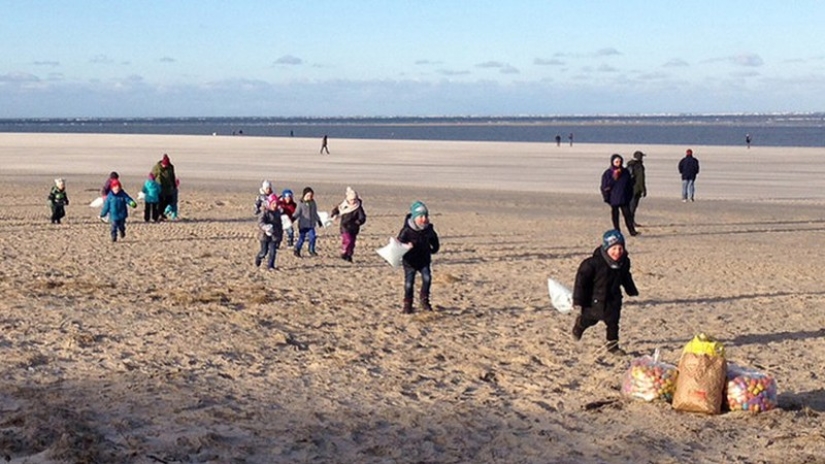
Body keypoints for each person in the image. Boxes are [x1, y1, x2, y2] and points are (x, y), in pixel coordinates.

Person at [571, 230, 639, 355]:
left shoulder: (624, 262)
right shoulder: (592, 263)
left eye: (620, 248)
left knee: (613, 323)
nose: (617, 252)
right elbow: (581, 282)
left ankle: (612, 346)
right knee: (590, 320)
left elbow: (625, 276)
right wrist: (578, 300)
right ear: (606, 248)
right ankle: (579, 327)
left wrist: (631, 289)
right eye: (613, 248)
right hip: (594, 299)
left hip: (613, 299)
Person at [397, 201, 440, 314]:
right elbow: (398, 244)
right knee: (409, 283)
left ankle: (424, 301)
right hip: (410, 261)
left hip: (424, 260)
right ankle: (408, 304)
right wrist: (406, 246)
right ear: (414, 217)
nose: (423, 218)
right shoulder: (407, 230)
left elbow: (434, 241)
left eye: (425, 216)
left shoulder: (429, 229)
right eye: (420, 216)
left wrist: (433, 249)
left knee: (427, 278)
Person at [601, 154, 638, 236]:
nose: (618, 163)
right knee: (615, 216)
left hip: (624, 198)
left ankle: (632, 231)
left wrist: (629, 196)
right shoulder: (608, 173)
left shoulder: (625, 172)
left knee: (627, 215)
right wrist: (606, 198)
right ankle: (617, 230)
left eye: (620, 161)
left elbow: (629, 185)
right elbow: (604, 186)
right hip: (613, 199)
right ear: (612, 162)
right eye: (616, 162)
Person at [330, 186, 367, 262]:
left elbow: (362, 217)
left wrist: (358, 222)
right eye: (351, 200)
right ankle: (344, 252)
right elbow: (337, 209)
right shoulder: (343, 205)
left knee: (352, 243)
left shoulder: (358, 207)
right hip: (345, 227)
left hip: (354, 228)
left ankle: (349, 255)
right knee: (347, 240)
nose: (352, 201)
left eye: (354, 199)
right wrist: (333, 214)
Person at [292, 187, 323, 257]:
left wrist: (318, 220)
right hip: (303, 225)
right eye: (308, 195)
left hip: (311, 224)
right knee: (301, 238)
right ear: (304, 195)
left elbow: (315, 213)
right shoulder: (300, 203)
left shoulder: (313, 203)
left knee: (313, 237)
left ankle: (311, 250)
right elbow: (297, 213)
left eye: (311, 195)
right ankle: (297, 249)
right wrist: (292, 218)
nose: (310, 197)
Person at [255, 194, 283, 270]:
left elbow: (280, 226)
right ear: (269, 203)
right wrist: (265, 227)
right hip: (264, 236)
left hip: (274, 235)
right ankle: (259, 257)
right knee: (264, 251)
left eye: (276, 203)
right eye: (273, 203)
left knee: (273, 251)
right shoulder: (265, 212)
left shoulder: (277, 213)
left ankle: (270, 266)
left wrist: (280, 237)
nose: (275, 205)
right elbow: (260, 222)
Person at [151, 153, 177, 219]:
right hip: (159, 187)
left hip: (168, 188)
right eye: (164, 165)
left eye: (166, 165)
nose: (165, 166)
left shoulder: (171, 167)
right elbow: (152, 176)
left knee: (168, 200)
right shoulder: (157, 167)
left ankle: (162, 213)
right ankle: (159, 214)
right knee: (160, 202)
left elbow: (172, 177)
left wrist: (174, 185)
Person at [625, 151, 647, 227]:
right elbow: (640, 179)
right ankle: (630, 222)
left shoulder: (629, 165)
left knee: (630, 205)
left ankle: (630, 221)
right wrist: (643, 190)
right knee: (633, 206)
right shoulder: (639, 166)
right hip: (636, 189)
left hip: (629, 188)